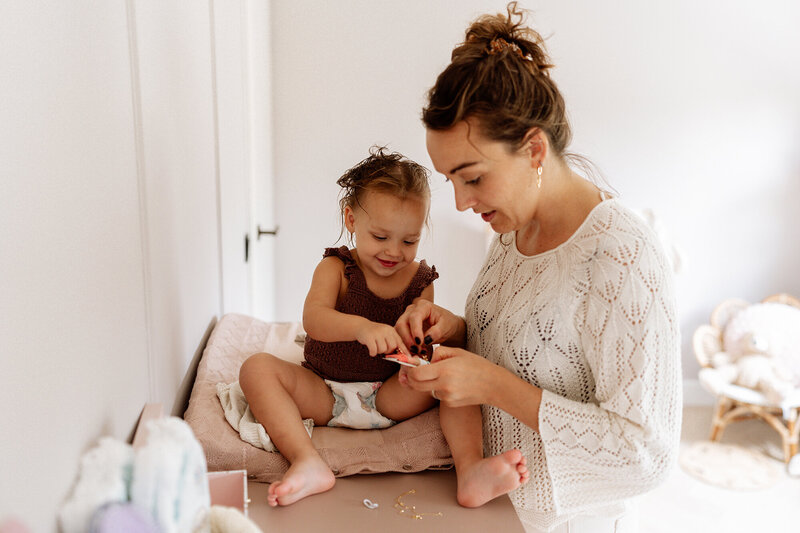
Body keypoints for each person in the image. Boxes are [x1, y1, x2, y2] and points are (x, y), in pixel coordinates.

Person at [395, 3, 681, 532]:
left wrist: (495, 386)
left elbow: (647, 455)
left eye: (472, 177)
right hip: (492, 508)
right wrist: (455, 330)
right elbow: (526, 345)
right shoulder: (514, 229)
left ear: (533, 150)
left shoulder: (621, 255)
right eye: (450, 181)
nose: (460, 202)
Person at [239, 146, 456, 507]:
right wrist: (361, 328)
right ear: (352, 220)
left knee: (455, 371)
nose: (394, 252)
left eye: (410, 240)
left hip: (389, 394)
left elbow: (423, 336)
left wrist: (418, 343)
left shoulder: (420, 280)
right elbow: (314, 319)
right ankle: (306, 460)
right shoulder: (337, 268)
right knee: (255, 369)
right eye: (381, 237)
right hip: (324, 391)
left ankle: (472, 466)